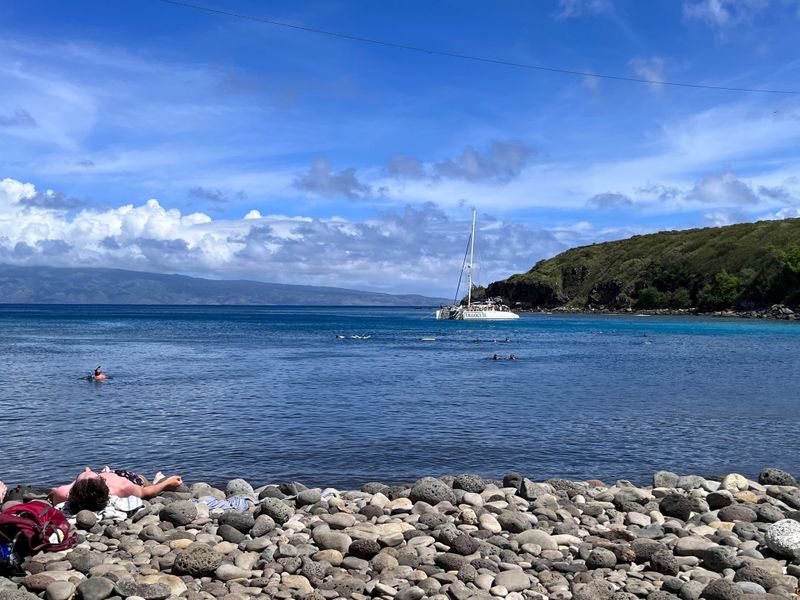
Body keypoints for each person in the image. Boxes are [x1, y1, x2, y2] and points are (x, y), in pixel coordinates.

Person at [49, 467, 183, 511]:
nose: (87, 468)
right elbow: (146, 493)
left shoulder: (63, 492)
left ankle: (105, 470)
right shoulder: (123, 487)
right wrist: (167, 483)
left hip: (95, 484)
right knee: (142, 480)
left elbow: (51, 495)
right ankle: (156, 480)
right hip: (121, 477)